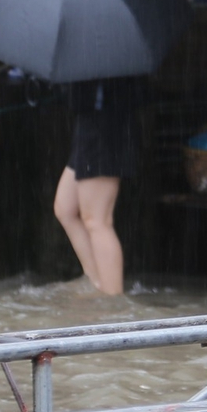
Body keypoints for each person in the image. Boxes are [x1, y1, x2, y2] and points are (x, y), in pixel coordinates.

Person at [53, 75, 146, 296]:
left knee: (97, 220)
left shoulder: (105, 54)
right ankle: (97, 283)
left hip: (105, 126)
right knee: (65, 208)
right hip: (89, 124)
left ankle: (113, 300)